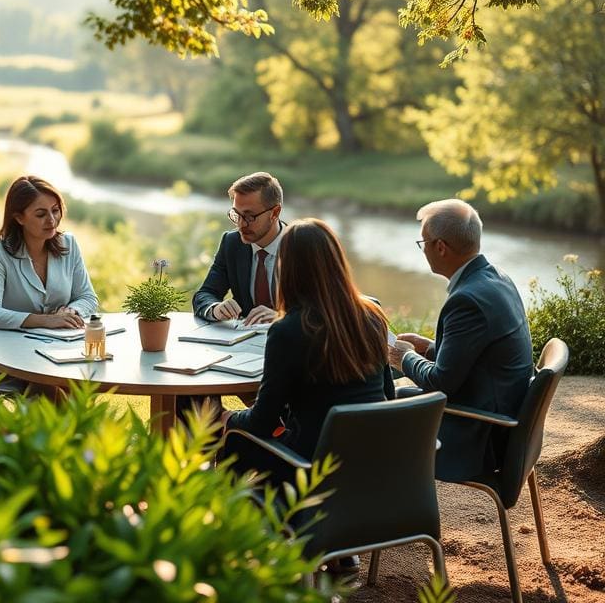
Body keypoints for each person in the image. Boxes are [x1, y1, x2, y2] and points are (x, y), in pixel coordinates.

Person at [219, 219, 395, 487]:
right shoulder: (372, 315)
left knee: (235, 438)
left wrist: (228, 417)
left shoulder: (288, 330)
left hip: (310, 467)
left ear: (286, 268)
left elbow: (262, 422)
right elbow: (388, 394)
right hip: (370, 459)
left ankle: (229, 521)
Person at [389, 199, 534, 481]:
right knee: (396, 398)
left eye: (423, 243)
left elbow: (441, 382)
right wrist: (428, 347)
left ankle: (395, 511)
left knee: (384, 411)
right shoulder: (496, 278)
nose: (424, 250)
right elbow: (478, 357)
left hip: (481, 435)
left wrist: (402, 357)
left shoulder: (466, 300)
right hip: (501, 415)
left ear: (440, 247)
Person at [0, 175, 98, 331]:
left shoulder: (69, 244)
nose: (52, 220)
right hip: (12, 347)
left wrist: (70, 311)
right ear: (19, 218)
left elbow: (88, 298)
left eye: (55, 210)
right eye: (41, 214)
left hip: (61, 346)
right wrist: (45, 320)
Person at [193, 171, 285, 327]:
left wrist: (283, 318)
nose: (241, 224)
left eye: (249, 216)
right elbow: (205, 294)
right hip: (242, 345)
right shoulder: (232, 243)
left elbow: (323, 310)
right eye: (236, 215)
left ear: (275, 213)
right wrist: (216, 309)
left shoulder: (302, 246)